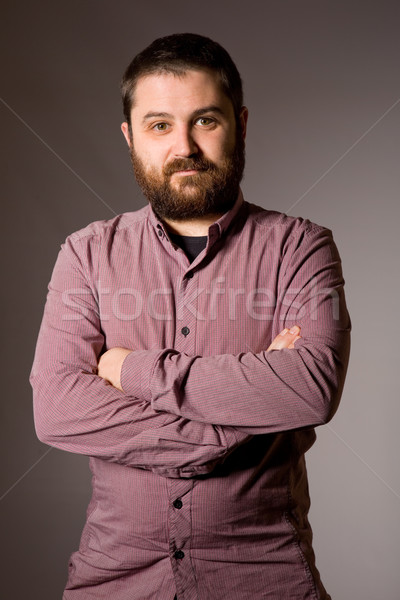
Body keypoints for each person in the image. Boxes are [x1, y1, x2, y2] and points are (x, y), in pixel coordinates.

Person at [30, 33, 351, 600]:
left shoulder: (301, 248)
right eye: (159, 125)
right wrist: (237, 420)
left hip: (266, 579)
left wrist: (131, 370)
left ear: (241, 124)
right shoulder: (85, 254)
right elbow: (56, 408)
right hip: (113, 581)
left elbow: (311, 390)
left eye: (205, 120)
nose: (184, 146)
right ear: (130, 137)